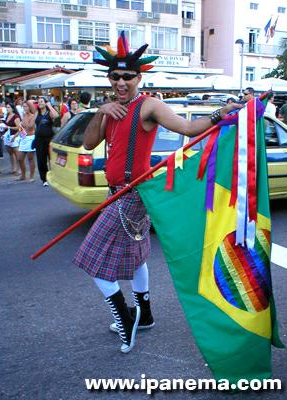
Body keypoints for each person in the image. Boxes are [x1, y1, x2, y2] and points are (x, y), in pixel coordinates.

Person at [72, 31, 242, 355]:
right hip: (119, 193)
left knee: (91, 260)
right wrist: (100, 112)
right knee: (137, 259)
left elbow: (189, 128)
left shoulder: (149, 106)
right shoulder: (110, 109)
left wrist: (223, 112)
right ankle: (146, 314)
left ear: (139, 76)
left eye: (128, 77)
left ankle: (127, 318)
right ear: (109, 78)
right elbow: (89, 144)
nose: (121, 83)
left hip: (132, 194)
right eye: (116, 76)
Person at [34, 97, 58, 187]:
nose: (39, 103)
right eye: (38, 102)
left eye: (41, 101)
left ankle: (54, 177)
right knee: (41, 160)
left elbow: (56, 116)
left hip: (49, 138)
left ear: (45, 103)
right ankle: (44, 179)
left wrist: (50, 106)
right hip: (39, 139)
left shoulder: (49, 113)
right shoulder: (37, 112)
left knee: (51, 158)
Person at [13, 100, 36, 182]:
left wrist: (22, 124)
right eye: (23, 106)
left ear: (29, 107)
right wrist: (15, 135)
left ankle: (31, 176)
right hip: (23, 138)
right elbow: (21, 128)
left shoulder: (33, 116)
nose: (24, 108)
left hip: (30, 138)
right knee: (20, 158)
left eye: (26, 106)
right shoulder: (23, 115)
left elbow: (30, 126)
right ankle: (23, 175)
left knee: (30, 158)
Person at [2, 102, 21, 176]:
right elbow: (6, 126)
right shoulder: (7, 115)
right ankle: (13, 168)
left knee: (17, 154)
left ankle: (18, 169)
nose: (7, 108)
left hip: (15, 136)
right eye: (6, 107)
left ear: (13, 108)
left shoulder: (16, 116)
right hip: (8, 136)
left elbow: (19, 128)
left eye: (9, 107)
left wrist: (9, 128)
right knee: (10, 153)